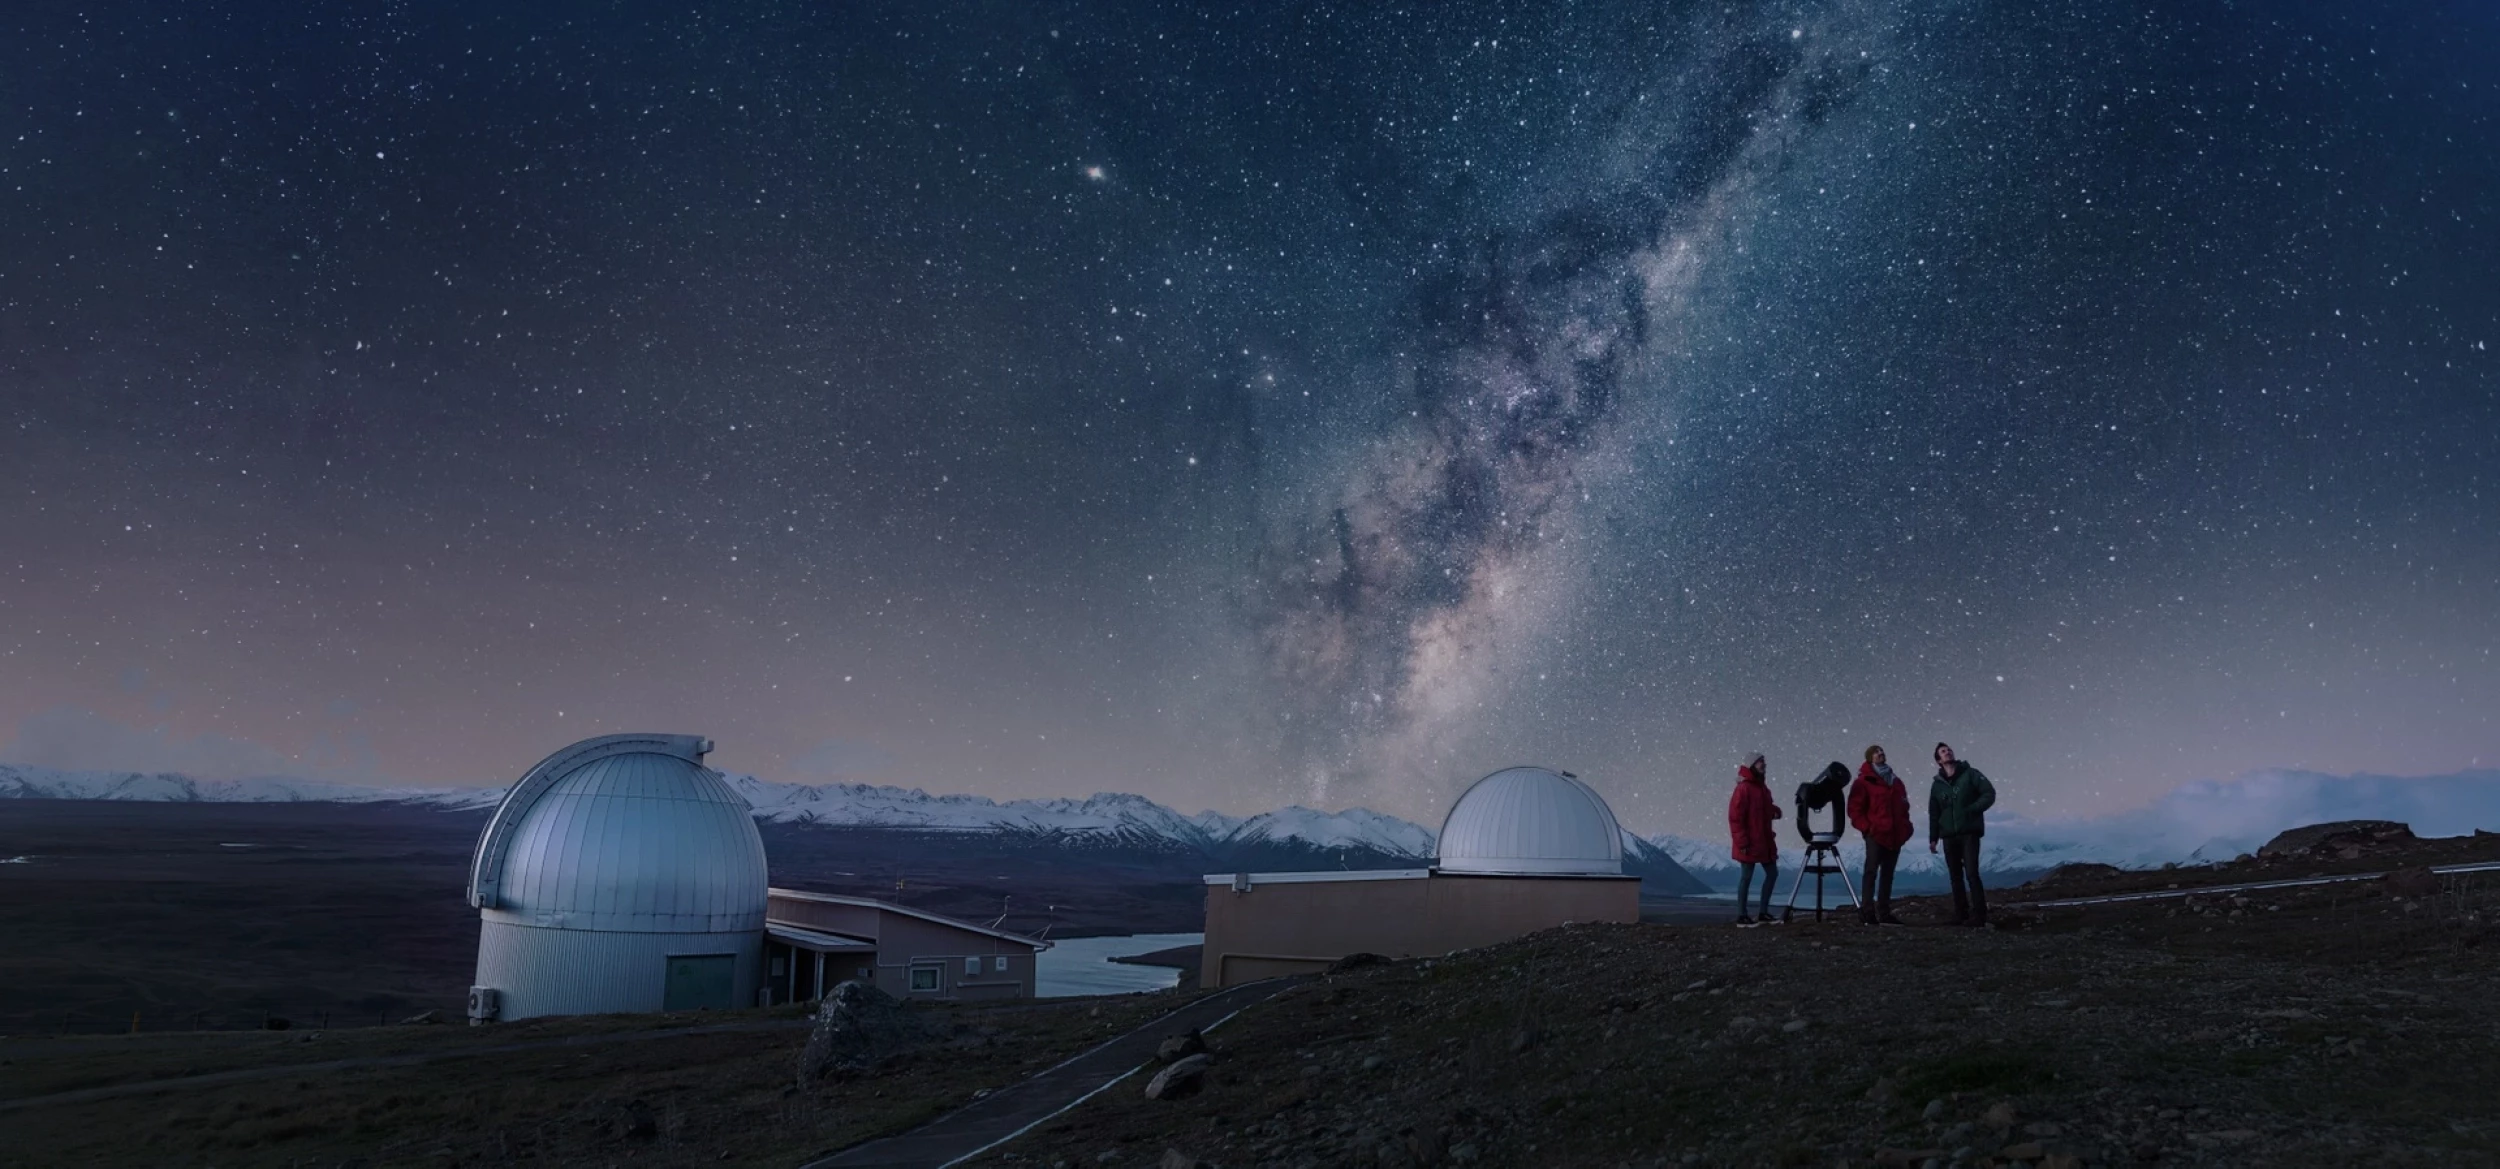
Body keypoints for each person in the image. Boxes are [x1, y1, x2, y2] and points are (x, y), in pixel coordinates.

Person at [1927, 742, 1997, 926]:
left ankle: (1980, 915)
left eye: (1949, 749)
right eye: (1943, 751)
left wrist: (1972, 809)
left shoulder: (1971, 774)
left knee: (1972, 873)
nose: (1948, 752)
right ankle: (1961, 914)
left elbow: (1989, 793)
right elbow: (1934, 812)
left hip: (1969, 832)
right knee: (1955, 875)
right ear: (1938, 760)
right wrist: (1933, 838)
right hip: (1948, 835)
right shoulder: (1937, 786)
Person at [1847, 745, 1914, 925]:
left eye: (1882, 751)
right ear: (1870, 758)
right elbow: (1854, 809)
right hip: (1876, 834)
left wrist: (1906, 827)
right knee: (1871, 872)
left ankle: (1884, 913)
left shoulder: (1896, 781)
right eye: (1876, 752)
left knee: (1888, 874)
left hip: (1895, 834)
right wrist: (1867, 828)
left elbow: (1903, 806)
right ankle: (1868, 912)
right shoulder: (1863, 782)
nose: (1880, 753)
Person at [1726, 753, 1783, 926]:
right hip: (1749, 842)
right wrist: (1742, 842)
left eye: (1764, 762)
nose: (1764, 765)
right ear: (1752, 765)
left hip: (1763, 841)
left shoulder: (1762, 789)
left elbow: (1762, 810)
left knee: (1772, 874)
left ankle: (1763, 912)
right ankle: (1742, 916)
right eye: (1760, 762)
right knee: (1746, 877)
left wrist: (1775, 811)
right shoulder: (1743, 788)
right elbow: (1735, 817)